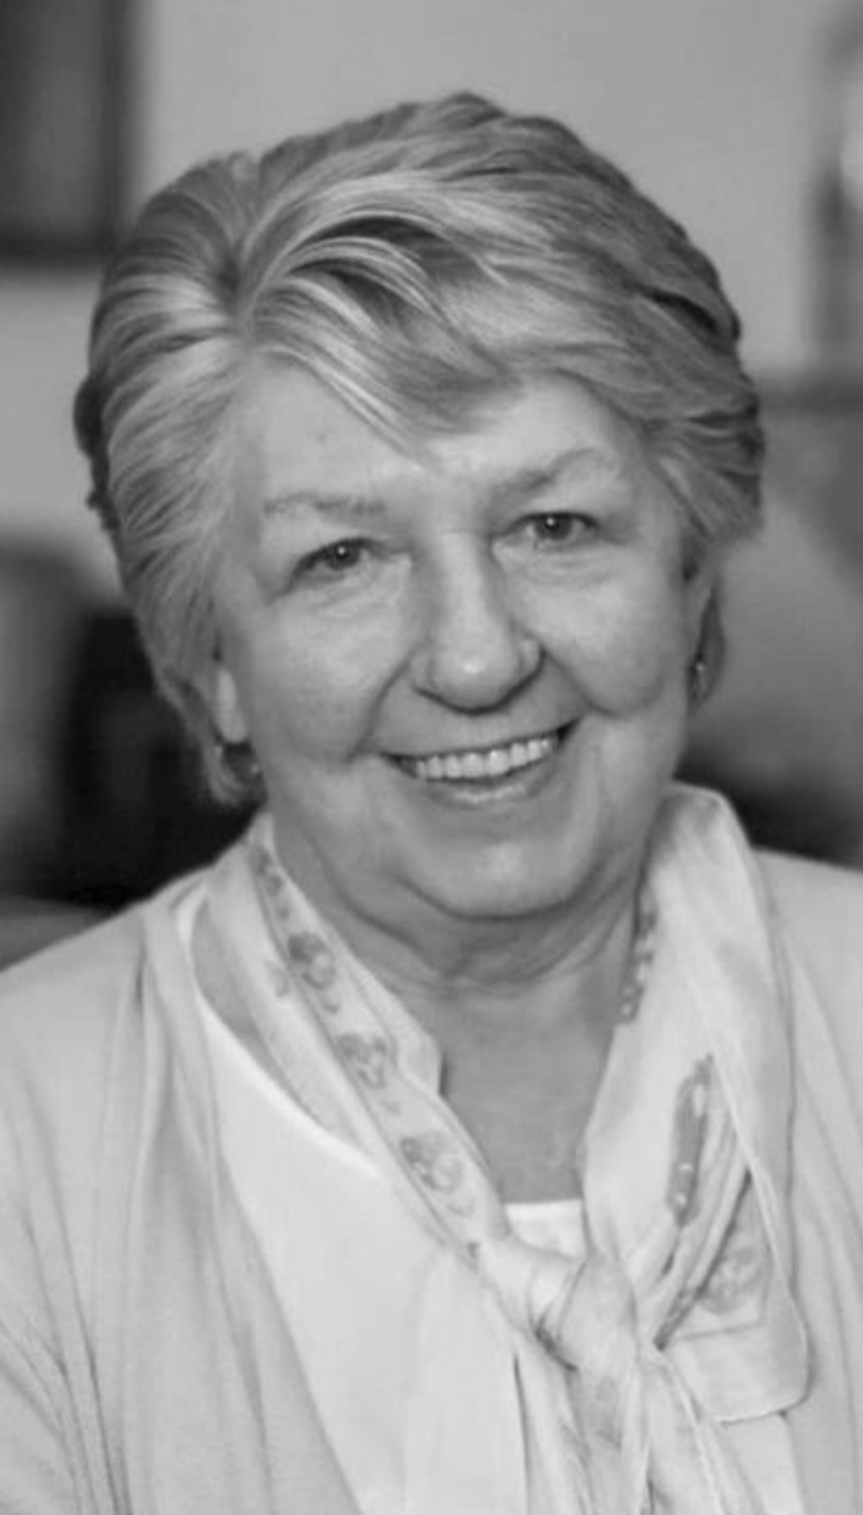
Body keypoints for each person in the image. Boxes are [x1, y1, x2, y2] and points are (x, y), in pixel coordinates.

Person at [0, 94, 861, 1515]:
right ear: (214, 664)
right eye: (342, 558)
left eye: (554, 525)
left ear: (691, 576)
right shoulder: (23, 1141)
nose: (476, 657)